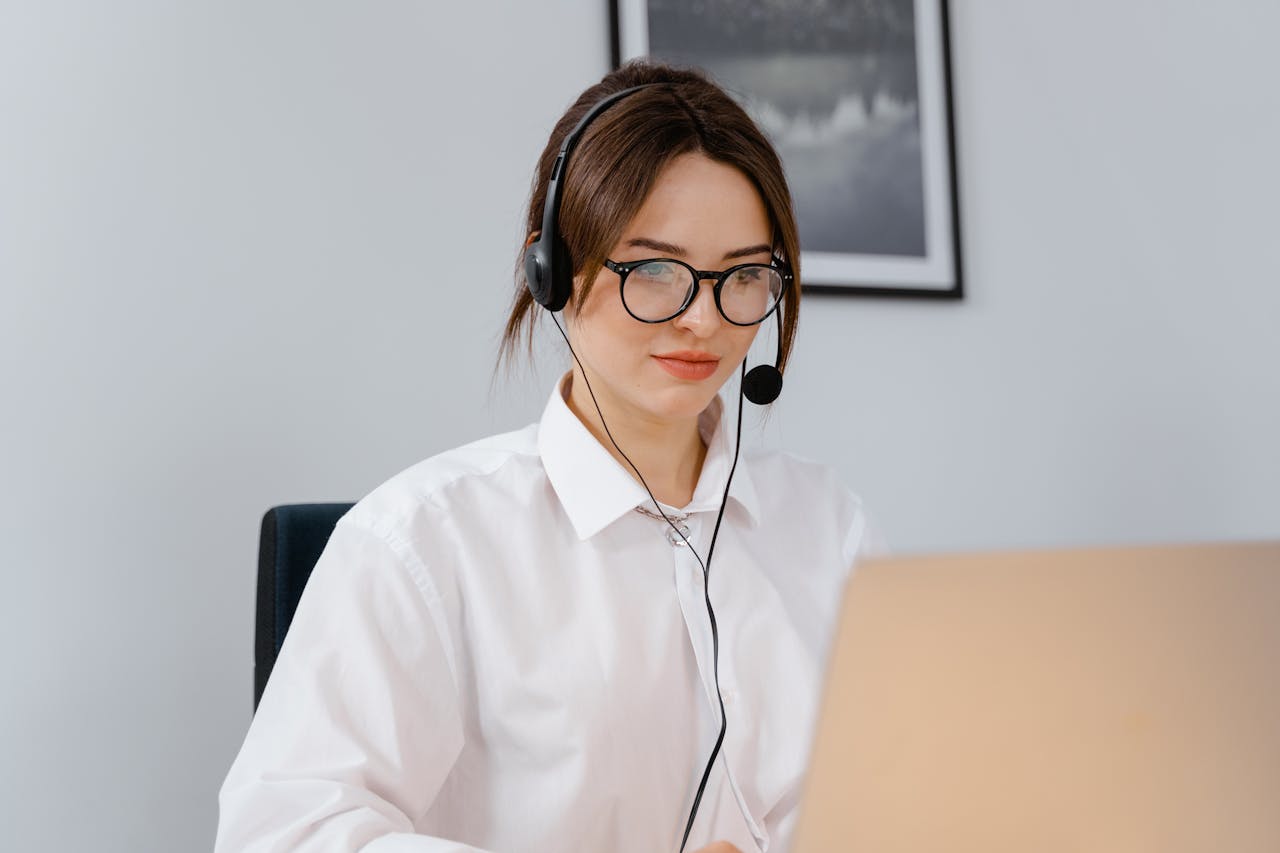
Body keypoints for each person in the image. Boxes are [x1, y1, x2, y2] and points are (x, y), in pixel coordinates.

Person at [216, 61, 879, 853]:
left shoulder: (826, 523)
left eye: (742, 275)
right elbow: (284, 834)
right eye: (656, 270)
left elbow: (905, 787)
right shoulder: (421, 540)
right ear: (553, 271)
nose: (704, 318)